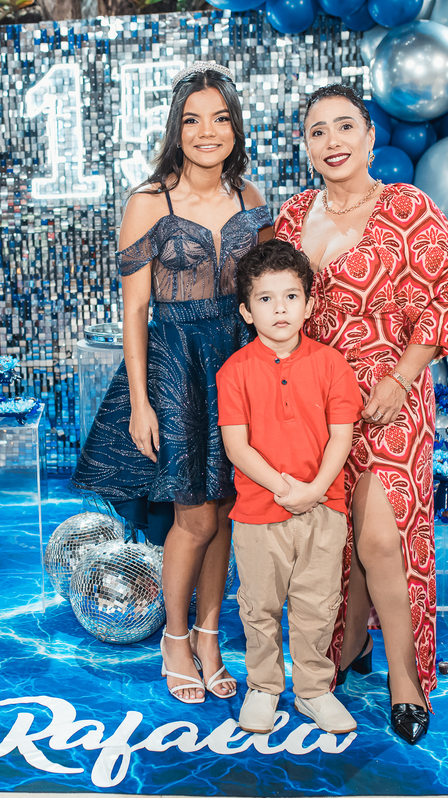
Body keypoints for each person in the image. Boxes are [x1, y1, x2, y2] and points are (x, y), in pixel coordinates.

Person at [72, 62, 274, 704]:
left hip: (237, 365)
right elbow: (135, 311)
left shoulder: (251, 199)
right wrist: (140, 402)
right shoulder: (148, 202)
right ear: (175, 130)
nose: (207, 131)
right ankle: (176, 638)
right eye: (193, 120)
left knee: (226, 510)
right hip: (176, 365)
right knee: (193, 516)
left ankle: (211, 638)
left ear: (235, 129)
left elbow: (266, 294)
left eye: (220, 119)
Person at [273, 83, 448, 744]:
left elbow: (444, 299)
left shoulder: (409, 207)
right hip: (318, 401)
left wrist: (402, 378)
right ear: (306, 146)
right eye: (317, 131)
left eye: (344, 126)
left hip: (390, 394)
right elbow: (278, 308)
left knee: (381, 535)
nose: (333, 141)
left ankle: (405, 678)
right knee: (336, 537)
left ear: (370, 136)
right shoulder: (293, 216)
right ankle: (350, 641)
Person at [217, 239, 363, 735]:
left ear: (309, 304)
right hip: (259, 512)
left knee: (317, 605)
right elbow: (238, 448)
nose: (280, 309)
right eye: (265, 298)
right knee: (259, 605)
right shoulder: (234, 372)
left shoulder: (332, 365)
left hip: (324, 508)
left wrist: (315, 490)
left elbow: (341, 436)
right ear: (246, 311)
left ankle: (314, 690)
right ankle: (263, 686)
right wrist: (286, 489)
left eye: (291, 296)